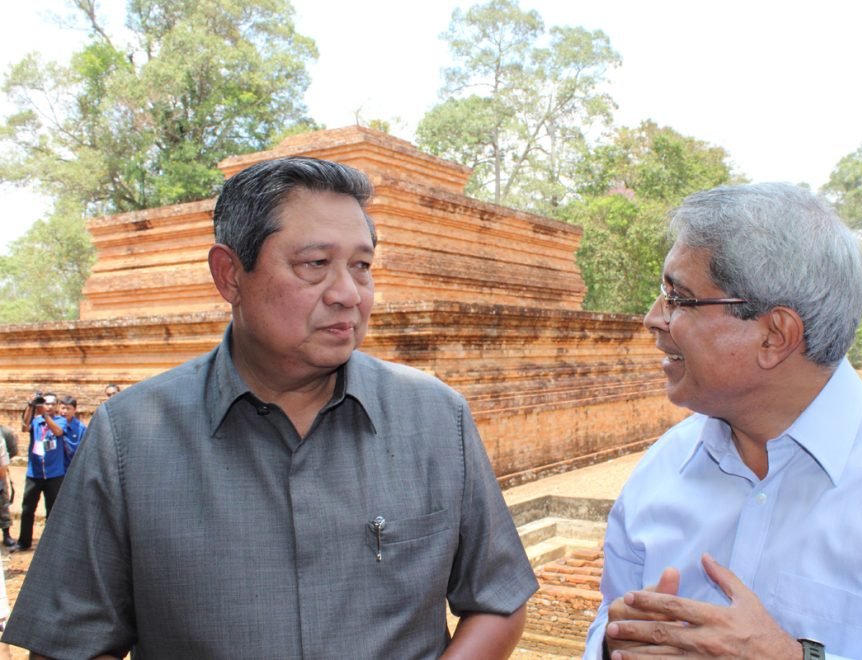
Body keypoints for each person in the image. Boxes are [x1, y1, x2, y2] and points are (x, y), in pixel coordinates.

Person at [3, 157, 537, 659]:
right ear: (230, 275)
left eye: (362, 266)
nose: (348, 293)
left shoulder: (436, 418)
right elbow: (69, 643)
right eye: (316, 265)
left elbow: (498, 598)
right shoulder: (130, 437)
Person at [585, 183, 862, 659]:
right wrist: (617, 647)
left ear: (775, 336)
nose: (654, 319)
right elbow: (609, 623)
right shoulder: (662, 469)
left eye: (680, 299)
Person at [12, 392, 72, 552]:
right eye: (46, 403)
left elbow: (58, 432)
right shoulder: (36, 421)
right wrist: (30, 407)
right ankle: (24, 542)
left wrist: (45, 416)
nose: (49, 406)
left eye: (53, 404)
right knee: (27, 509)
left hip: (54, 474)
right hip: (35, 473)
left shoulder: (60, 420)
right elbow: (24, 427)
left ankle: (51, 544)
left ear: (57, 406)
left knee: (52, 510)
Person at [57, 396, 86, 467]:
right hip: (55, 470)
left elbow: (85, 450)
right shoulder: (53, 424)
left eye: (68, 409)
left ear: (74, 410)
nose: (65, 412)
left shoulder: (80, 428)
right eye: (63, 408)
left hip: (72, 467)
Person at [0, 426, 16, 548]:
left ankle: (6, 534)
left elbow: (11, 450)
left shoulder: (4, 432)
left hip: (0, 474)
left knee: (3, 506)